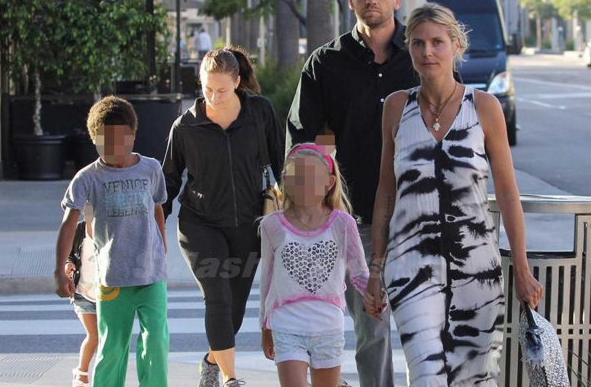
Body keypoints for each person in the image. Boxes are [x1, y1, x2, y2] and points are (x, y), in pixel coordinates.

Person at [364, 3, 544, 386]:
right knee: (426, 376)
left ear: (456, 45)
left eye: (437, 42)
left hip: (477, 269)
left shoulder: (484, 107)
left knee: (474, 380)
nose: (427, 51)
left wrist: (522, 268)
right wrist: (376, 269)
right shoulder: (396, 107)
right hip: (411, 265)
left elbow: (507, 193)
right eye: (418, 43)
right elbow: (385, 192)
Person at [286, 0, 422, 387]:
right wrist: (308, 208)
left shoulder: (422, 55)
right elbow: (302, 142)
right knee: (372, 329)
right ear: (350, 0)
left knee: (423, 326)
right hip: (355, 218)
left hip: (419, 214)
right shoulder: (325, 63)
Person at [162, 46, 284, 387]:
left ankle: (211, 361)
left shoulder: (260, 113)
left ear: (238, 82)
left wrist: (301, 211)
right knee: (218, 297)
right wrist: (155, 225)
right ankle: (230, 379)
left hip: (249, 224)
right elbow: (169, 179)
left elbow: (281, 163)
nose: (213, 97)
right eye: (207, 89)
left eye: (222, 90)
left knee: (235, 308)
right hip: (199, 224)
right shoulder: (186, 126)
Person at [54, 96, 170, 387]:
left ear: (134, 135)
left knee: (156, 341)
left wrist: (162, 244)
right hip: (112, 279)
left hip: (151, 275)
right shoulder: (87, 178)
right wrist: (59, 270)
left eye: (122, 140)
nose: (116, 148)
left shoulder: (151, 169)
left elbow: (157, 207)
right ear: (94, 139)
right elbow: (69, 224)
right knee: (113, 347)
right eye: (107, 142)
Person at [259, 144, 372, 387]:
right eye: (297, 178)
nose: (304, 185)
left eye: (312, 179)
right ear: (285, 181)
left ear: (329, 183)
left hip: (328, 325)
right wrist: (265, 326)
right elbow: (267, 279)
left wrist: (375, 296)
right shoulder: (272, 225)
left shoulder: (343, 223)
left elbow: (359, 272)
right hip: (286, 323)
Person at [64, 208, 98, 387]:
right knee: (94, 335)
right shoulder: (79, 229)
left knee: (107, 339)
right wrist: (68, 264)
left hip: (108, 294)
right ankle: (81, 374)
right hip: (83, 293)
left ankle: (100, 376)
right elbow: (68, 255)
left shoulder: (110, 230)